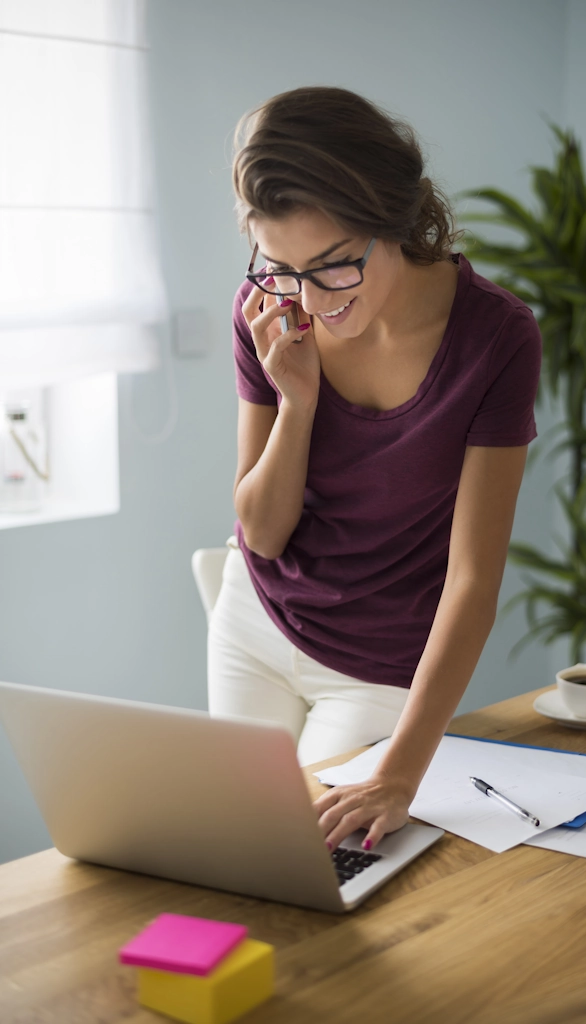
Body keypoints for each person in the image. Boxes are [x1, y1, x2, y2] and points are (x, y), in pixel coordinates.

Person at [208, 86, 542, 853]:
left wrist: (402, 771)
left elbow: (472, 582)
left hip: (376, 667)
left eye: (333, 266)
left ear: (391, 220)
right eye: (280, 267)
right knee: (234, 848)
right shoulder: (267, 312)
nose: (308, 299)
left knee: (320, 861)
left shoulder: (495, 339)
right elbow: (260, 533)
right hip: (254, 621)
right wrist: (296, 403)